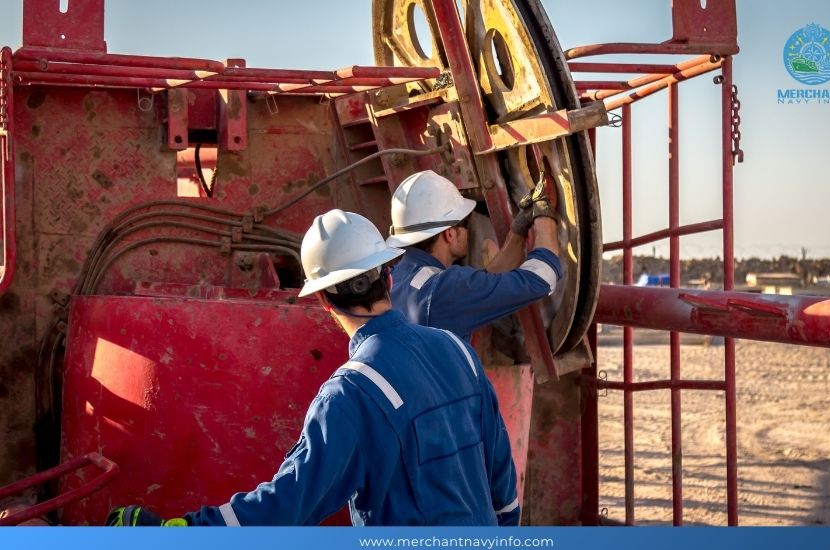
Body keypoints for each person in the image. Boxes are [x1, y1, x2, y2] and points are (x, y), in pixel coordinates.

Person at [106, 209, 519, 527]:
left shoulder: (352, 393)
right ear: (389, 279)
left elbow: (289, 503)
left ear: (323, 302)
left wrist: (183, 530)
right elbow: (502, 480)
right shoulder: (456, 350)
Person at [386, 170, 562, 342]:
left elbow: (485, 283)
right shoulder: (444, 289)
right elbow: (543, 278)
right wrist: (543, 213)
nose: (468, 229)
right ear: (449, 234)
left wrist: (518, 231)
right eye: (465, 222)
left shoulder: (394, 278)